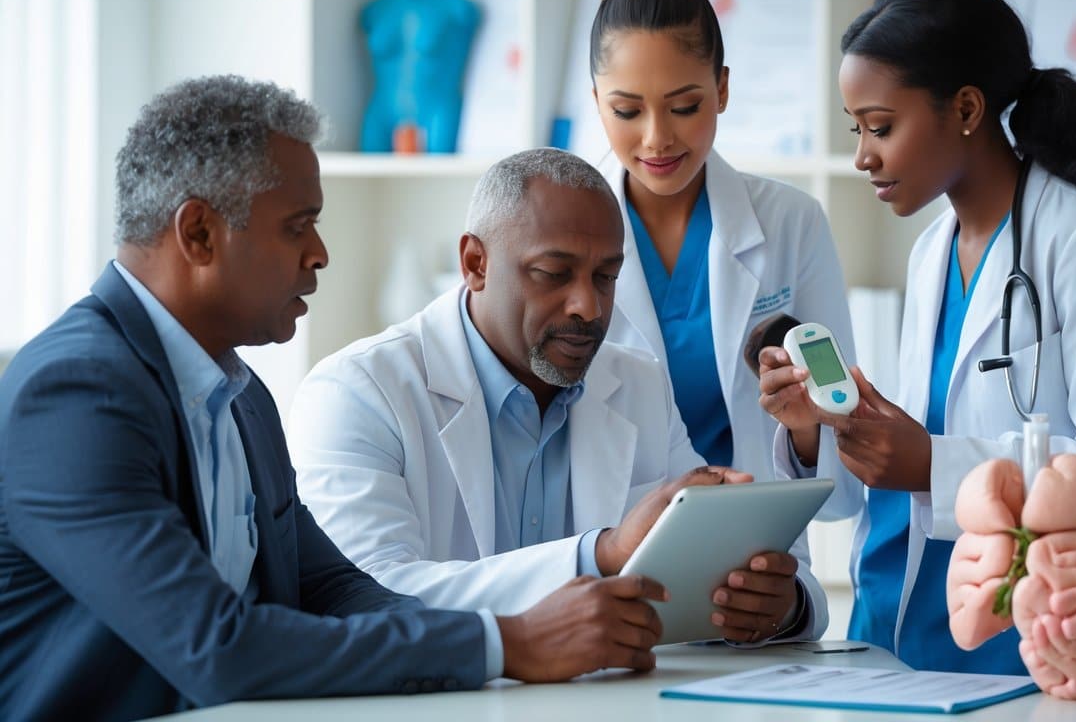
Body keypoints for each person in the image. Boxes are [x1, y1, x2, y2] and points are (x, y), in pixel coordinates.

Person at [0, 78, 673, 722]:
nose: (320, 254)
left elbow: (332, 590)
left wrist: (516, 634)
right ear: (199, 234)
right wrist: (510, 645)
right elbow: (216, 646)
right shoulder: (75, 394)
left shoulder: (238, 394)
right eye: (299, 227)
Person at [758, 0, 1076, 678]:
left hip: (1060, 634)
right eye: (856, 130)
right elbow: (918, 447)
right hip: (922, 626)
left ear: (965, 108)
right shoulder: (930, 252)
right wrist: (822, 427)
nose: (862, 155)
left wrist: (930, 465)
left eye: (880, 127)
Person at [288, 147, 828, 644]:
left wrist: (774, 606)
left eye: (606, 277)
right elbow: (364, 599)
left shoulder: (638, 383)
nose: (588, 307)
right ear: (476, 263)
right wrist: (601, 554)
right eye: (554, 274)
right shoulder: (357, 392)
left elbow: (704, 580)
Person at [584, 0, 855, 480]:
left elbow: (842, 452)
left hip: (757, 536)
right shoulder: (560, 231)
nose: (657, 137)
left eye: (684, 106)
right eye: (627, 111)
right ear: (596, 101)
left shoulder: (791, 223)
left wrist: (803, 427)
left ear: (723, 89)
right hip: (609, 543)